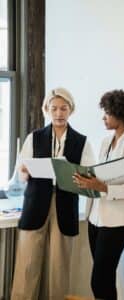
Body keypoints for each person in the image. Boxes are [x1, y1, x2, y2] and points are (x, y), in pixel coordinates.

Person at [11, 87, 95, 300]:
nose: (59, 113)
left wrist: (78, 176)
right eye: (54, 108)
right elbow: (21, 173)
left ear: (71, 110)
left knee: (60, 264)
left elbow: (89, 176)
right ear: (46, 110)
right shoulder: (35, 137)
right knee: (27, 261)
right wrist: (24, 171)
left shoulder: (82, 141)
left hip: (65, 203)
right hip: (35, 202)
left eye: (63, 108)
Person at [73, 89, 124, 300]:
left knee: (100, 279)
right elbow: (102, 177)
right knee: (102, 278)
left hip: (118, 222)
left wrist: (104, 188)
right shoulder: (106, 142)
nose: (103, 117)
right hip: (96, 218)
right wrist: (85, 181)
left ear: (121, 113)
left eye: (107, 112)